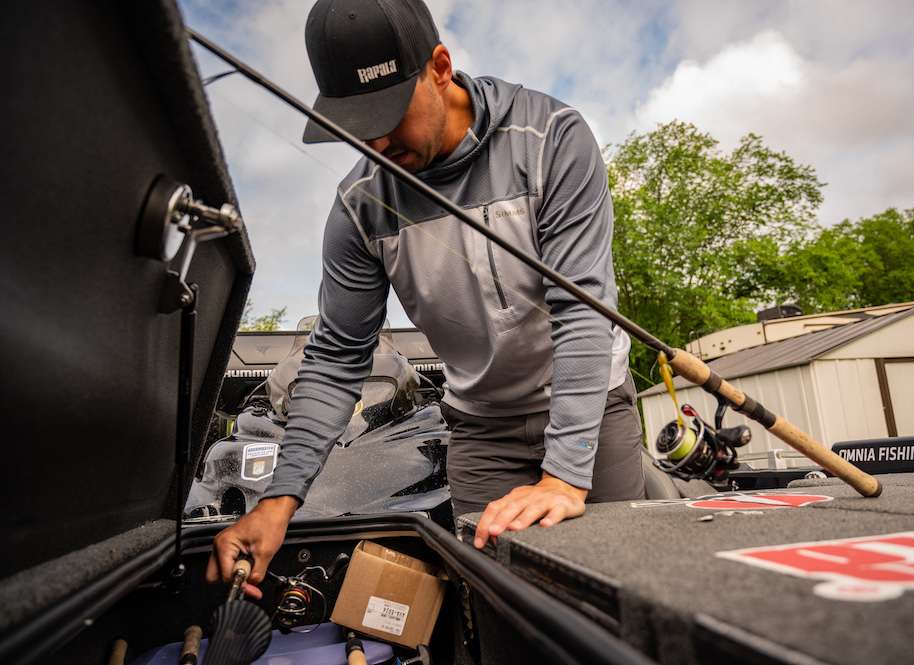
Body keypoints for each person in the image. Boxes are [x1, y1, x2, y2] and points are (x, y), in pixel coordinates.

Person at [207, 0, 644, 595]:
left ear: (440, 66)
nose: (378, 141)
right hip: (480, 429)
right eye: (357, 125)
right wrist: (279, 500)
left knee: (609, 591)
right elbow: (337, 358)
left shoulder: (550, 139)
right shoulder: (358, 207)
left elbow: (580, 313)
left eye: (388, 113)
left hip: (589, 410)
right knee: (495, 602)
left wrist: (564, 477)